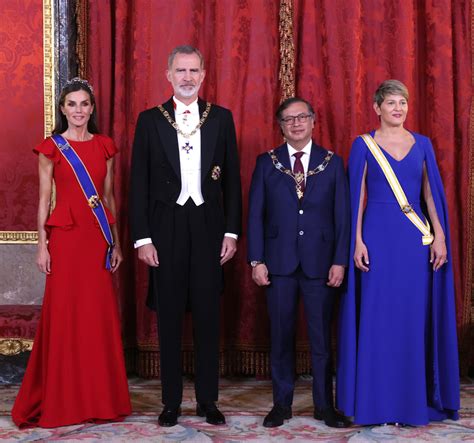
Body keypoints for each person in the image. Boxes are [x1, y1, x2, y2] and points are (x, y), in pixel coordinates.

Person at [129, 45, 242, 427]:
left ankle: (208, 400)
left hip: (209, 227)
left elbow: (233, 182)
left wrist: (231, 231)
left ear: (204, 74)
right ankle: (171, 402)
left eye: (194, 70)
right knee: (170, 317)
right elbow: (138, 184)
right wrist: (142, 238)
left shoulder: (221, 118)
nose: (188, 77)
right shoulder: (149, 120)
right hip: (166, 229)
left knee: (209, 317)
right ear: (168, 75)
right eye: (181, 70)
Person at [337, 79, 460, 425]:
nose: (398, 109)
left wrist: (439, 237)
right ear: (377, 108)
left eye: (402, 103)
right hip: (376, 238)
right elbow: (356, 197)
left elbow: (430, 193)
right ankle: (375, 403)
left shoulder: (422, 144)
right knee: (378, 319)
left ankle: (410, 402)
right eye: (390, 103)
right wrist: (357, 241)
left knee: (410, 318)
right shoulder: (363, 145)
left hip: (413, 242)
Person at [11, 78, 131, 428]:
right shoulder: (52, 148)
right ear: (62, 109)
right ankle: (64, 398)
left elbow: (109, 199)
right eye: (72, 104)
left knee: (96, 315)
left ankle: (100, 398)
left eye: (84, 104)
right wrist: (40, 244)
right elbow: (44, 199)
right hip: (64, 239)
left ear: (92, 109)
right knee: (65, 315)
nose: (79, 110)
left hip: (97, 239)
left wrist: (117, 243)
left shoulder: (105, 146)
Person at [247, 97, 350, 428]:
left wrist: (339, 261)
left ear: (313, 121)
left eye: (302, 117)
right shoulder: (267, 162)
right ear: (280, 126)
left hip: (320, 264)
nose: (296, 123)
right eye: (288, 119)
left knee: (321, 340)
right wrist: (256, 259)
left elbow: (343, 218)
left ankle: (324, 406)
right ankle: (282, 404)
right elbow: (256, 216)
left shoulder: (332, 163)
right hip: (279, 264)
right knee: (281, 337)